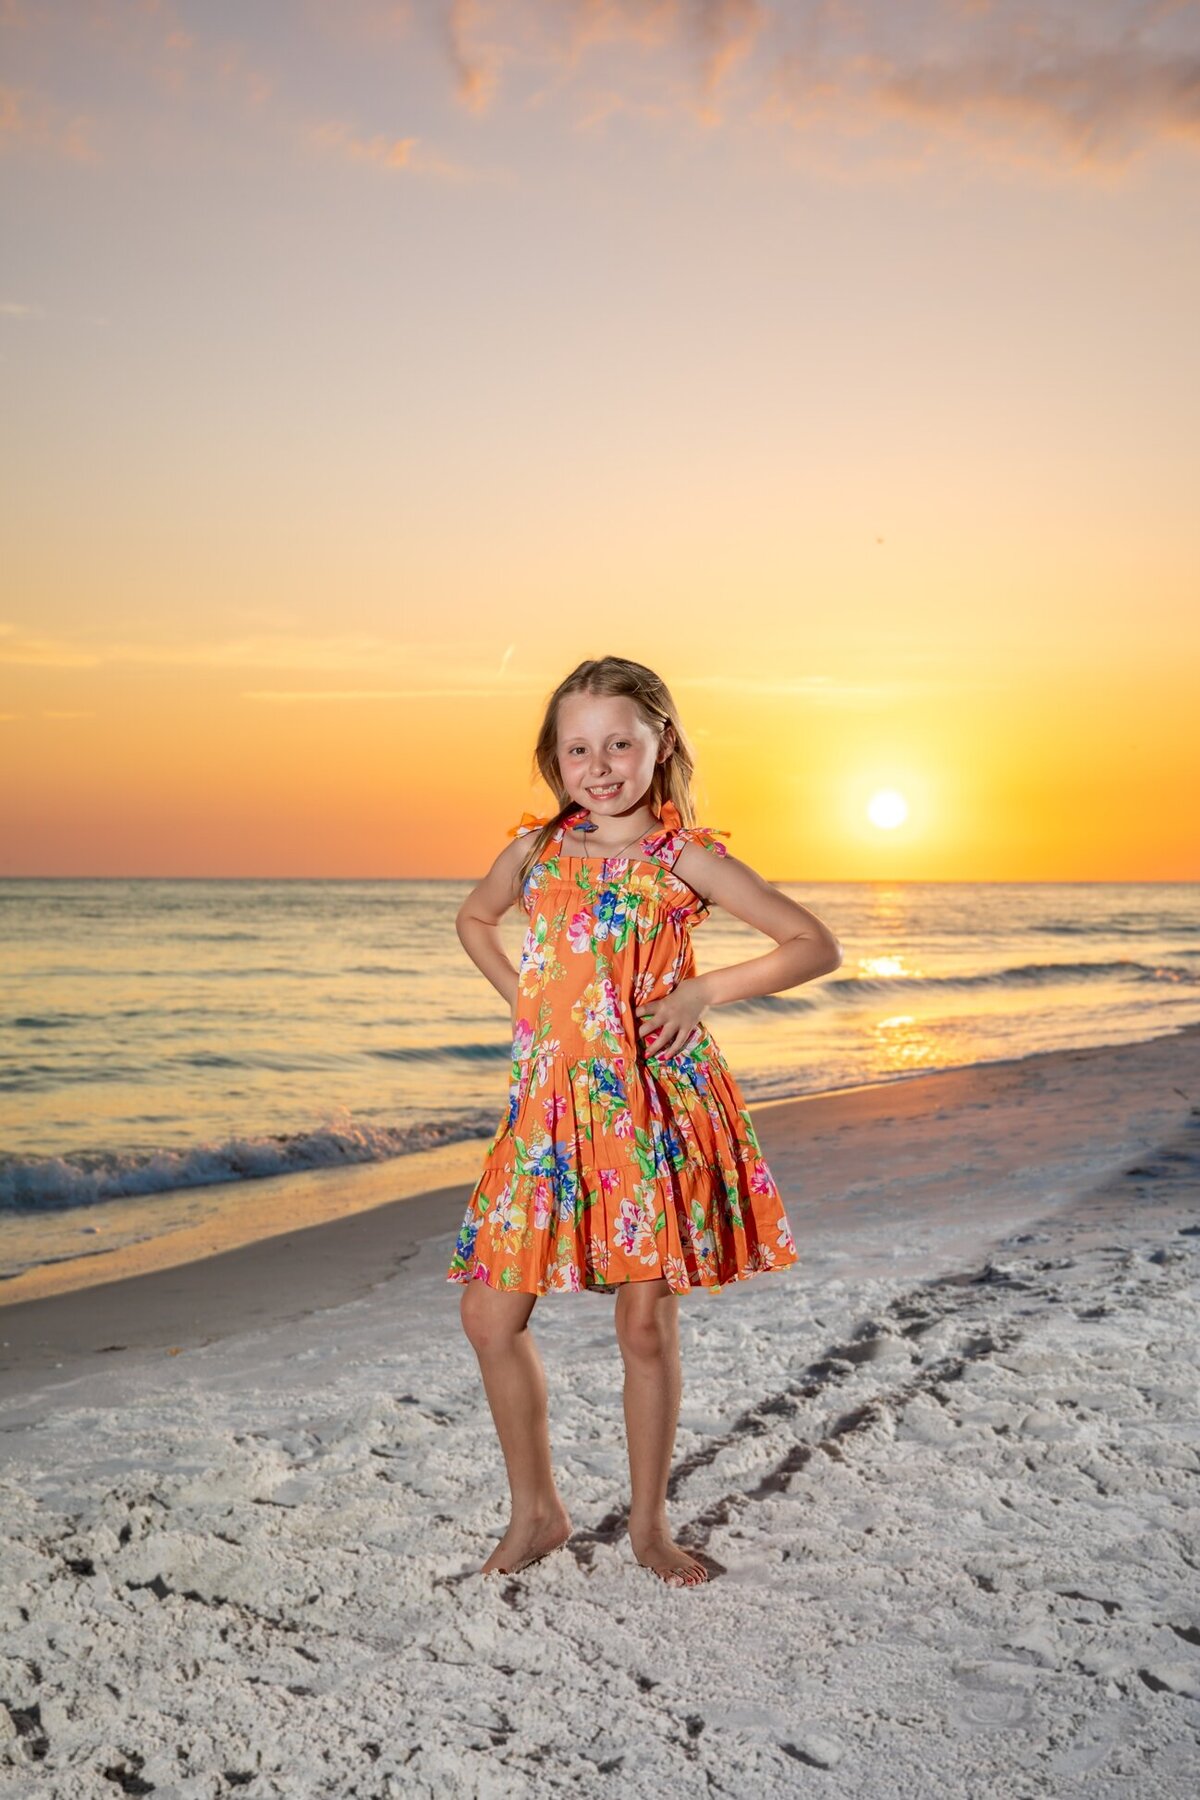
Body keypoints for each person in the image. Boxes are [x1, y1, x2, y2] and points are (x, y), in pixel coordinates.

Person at [447, 655, 843, 1587]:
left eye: (621, 742)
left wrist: (704, 990)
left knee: (641, 1327)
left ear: (660, 745)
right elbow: (475, 919)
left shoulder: (683, 858)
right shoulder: (536, 850)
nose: (601, 763)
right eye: (578, 747)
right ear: (554, 760)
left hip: (650, 1107)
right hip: (548, 1117)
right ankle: (538, 1512)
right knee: (486, 1313)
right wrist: (526, 1001)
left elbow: (812, 944)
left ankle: (650, 1528)